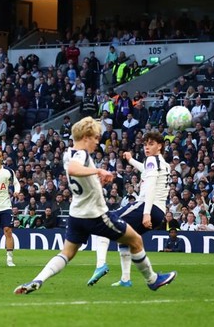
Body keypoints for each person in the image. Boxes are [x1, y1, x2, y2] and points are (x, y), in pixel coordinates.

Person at [14, 117, 176, 295]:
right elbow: (74, 169)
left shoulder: (68, 153)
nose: (97, 142)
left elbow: (77, 172)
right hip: (96, 214)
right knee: (135, 240)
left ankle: (38, 279)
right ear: (86, 137)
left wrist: (96, 177)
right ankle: (152, 279)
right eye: (96, 138)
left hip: (77, 214)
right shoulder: (81, 155)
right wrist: (98, 171)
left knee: (67, 253)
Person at [88, 131, 170, 288]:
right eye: (145, 144)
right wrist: (131, 160)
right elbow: (146, 170)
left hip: (147, 206)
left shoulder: (152, 160)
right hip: (158, 211)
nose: (147, 147)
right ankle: (126, 279)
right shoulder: (162, 164)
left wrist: (146, 213)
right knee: (125, 238)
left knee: (104, 222)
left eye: (151, 144)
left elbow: (151, 186)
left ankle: (101, 264)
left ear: (160, 146)